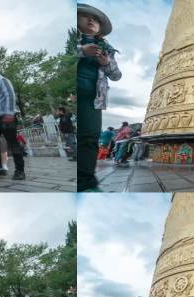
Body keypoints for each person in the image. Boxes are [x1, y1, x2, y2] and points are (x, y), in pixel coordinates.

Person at [77, 3, 121, 192]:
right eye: (85, 16)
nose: (91, 20)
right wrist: (81, 51)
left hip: (94, 98)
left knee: (89, 137)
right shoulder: (71, 40)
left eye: (95, 19)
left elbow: (117, 75)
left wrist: (105, 63)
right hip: (74, 93)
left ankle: (86, 180)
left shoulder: (106, 49)